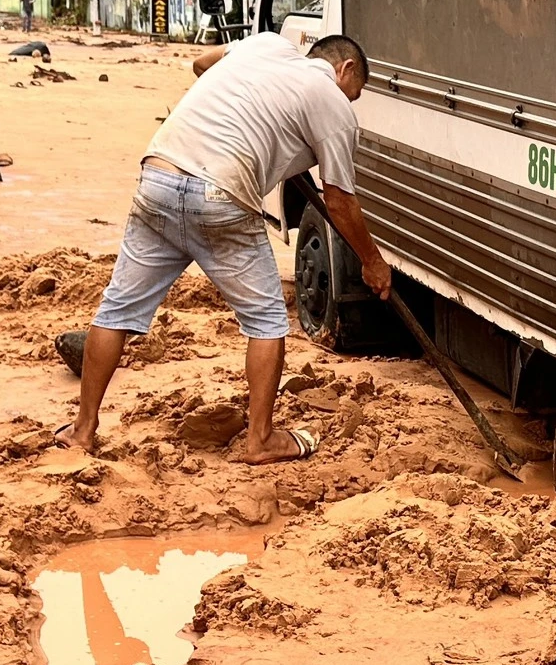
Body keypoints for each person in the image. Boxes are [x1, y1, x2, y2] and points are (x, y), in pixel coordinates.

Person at [60, 31, 390, 463]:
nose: (351, 101)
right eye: (355, 93)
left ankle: (82, 430)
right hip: (220, 197)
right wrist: (372, 261)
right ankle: (261, 440)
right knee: (267, 322)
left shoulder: (267, 44)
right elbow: (340, 201)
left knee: (116, 311)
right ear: (345, 69)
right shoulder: (330, 100)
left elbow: (201, 64)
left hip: (159, 175)